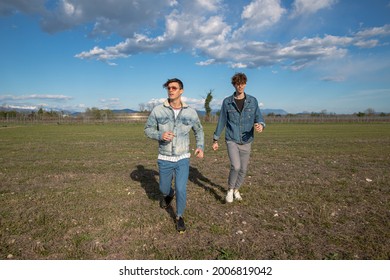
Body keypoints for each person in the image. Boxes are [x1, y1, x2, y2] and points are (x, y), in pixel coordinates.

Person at [145, 78, 204, 233]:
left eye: (174, 88)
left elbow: (198, 130)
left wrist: (200, 146)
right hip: (164, 157)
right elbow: (147, 129)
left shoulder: (191, 112)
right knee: (164, 189)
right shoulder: (158, 110)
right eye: (168, 88)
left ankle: (179, 216)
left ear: (181, 91)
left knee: (181, 188)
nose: (171, 90)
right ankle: (168, 194)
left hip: (183, 157)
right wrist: (160, 134)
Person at [212, 72, 265, 203]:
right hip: (231, 139)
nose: (240, 86)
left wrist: (261, 126)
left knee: (243, 169)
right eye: (237, 84)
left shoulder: (253, 101)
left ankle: (236, 189)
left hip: (247, 140)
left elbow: (259, 118)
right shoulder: (227, 102)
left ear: (245, 84)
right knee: (236, 166)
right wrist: (215, 139)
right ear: (234, 85)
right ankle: (230, 190)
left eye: (242, 83)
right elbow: (222, 121)